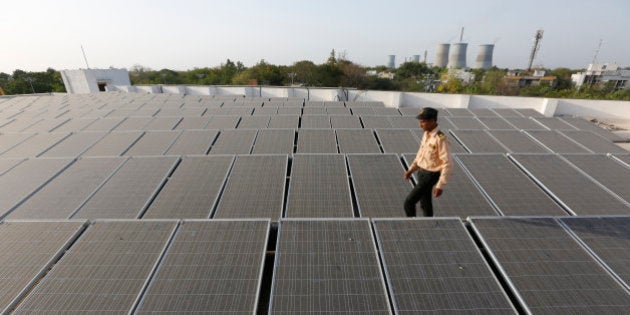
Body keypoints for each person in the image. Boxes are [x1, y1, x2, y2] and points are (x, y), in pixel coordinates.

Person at [403, 107, 452, 217]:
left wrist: (440, 185)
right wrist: (411, 169)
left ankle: (412, 226)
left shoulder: (441, 138)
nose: (420, 125)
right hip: (421, 172)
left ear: (432, 121)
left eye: (423, 122)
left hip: (431, 175)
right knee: (425, 204)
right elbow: (420, 155)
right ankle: (429, 226)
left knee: (409, 202)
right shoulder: (426, 134)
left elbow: (447, 163)